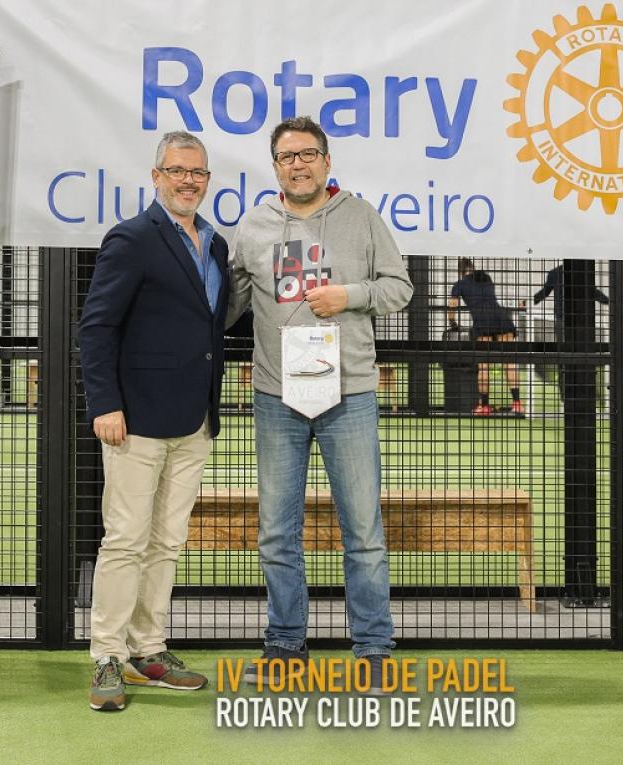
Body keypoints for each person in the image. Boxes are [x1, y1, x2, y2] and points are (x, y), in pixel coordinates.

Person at [227, 116, 413, 693]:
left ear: (326, 162)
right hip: (276, 395)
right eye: (287, 157)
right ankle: (285, 644)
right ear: (275, 166)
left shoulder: (360, 218)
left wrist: (349, 296)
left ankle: (374, 648)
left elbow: (399, 288)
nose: (298, 164)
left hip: (349, 394)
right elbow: (227, 301)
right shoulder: (253, 226)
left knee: (363, 529)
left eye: (308, 154)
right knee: (277, 533)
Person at [78, 131, 229, 711]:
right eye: (177, 170)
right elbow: (96, 328)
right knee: (125, 541)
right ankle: (107, 658)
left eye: (198, 173)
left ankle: (149, 652)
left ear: (207, 179)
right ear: (157, 175)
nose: (188, 180)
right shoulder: (132, 238)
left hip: (194, 421)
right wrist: (104, 404)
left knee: (166, 541)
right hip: (134, 419)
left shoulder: (214, 245)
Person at [447, 257, 523, 416]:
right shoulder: (485, 277)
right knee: (509, 362)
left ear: (460, 271)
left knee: (484, 366)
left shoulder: (459, 284)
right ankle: (517, 404)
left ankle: (484, 406)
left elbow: (452, 305)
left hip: (482, 323)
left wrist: (452, 322)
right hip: (502, 319)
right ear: (472, 267)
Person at [532, 264, 610, 397]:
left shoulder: (556, 273)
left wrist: (530, 301)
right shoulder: (582, 271)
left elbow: (544, 292)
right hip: (579, 321)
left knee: (564, 357)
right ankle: (580, 392)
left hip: (568, 321)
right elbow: (593, 292)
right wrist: (608, 300)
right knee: (581, 355)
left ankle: (566, 393)